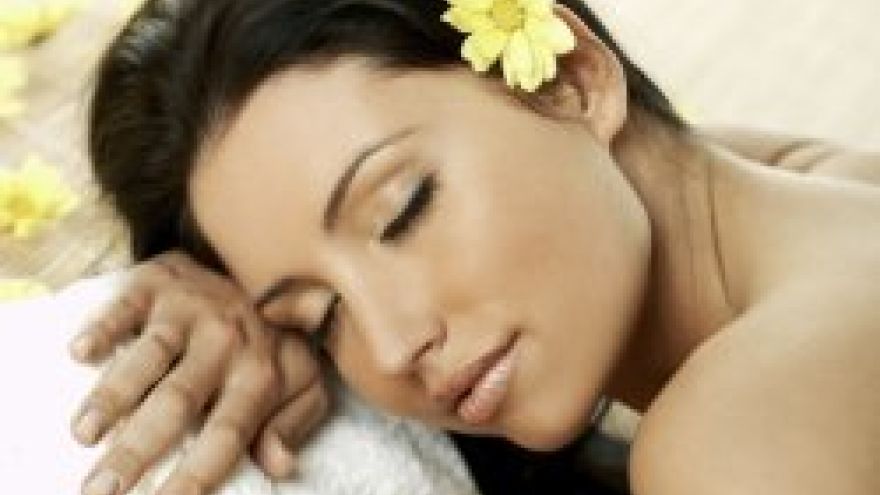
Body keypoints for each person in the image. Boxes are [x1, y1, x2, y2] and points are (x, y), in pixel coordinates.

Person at [68, 0, 880, 493]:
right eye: (322, 318)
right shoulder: (825, 195)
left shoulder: (731, 441)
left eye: (403, 212)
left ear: (571, 79)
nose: (392, 343)